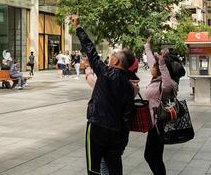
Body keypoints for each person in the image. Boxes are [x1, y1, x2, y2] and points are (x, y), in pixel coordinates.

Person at [72, 16, 135, 175]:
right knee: (114, 169)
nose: (112, 55)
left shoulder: (106, 73)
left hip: (97, 127)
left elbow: (90, 51)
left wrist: (79, 28)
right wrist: (122, 143)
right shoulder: (129, 87)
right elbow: (127, 118)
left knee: (93, 168)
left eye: (115, 54)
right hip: (115, 132)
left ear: (117, 62)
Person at [144, 38, 179, 175]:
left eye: (154, 67)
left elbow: (168, 84)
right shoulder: (156, 79)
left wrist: (162, 63)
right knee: (154, 156)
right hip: (153, 125)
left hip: (159, 123)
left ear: (158, 70)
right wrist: (148, 47)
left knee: (152, 156)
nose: (151, 67)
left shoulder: (165, 85)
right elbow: (153, 62)